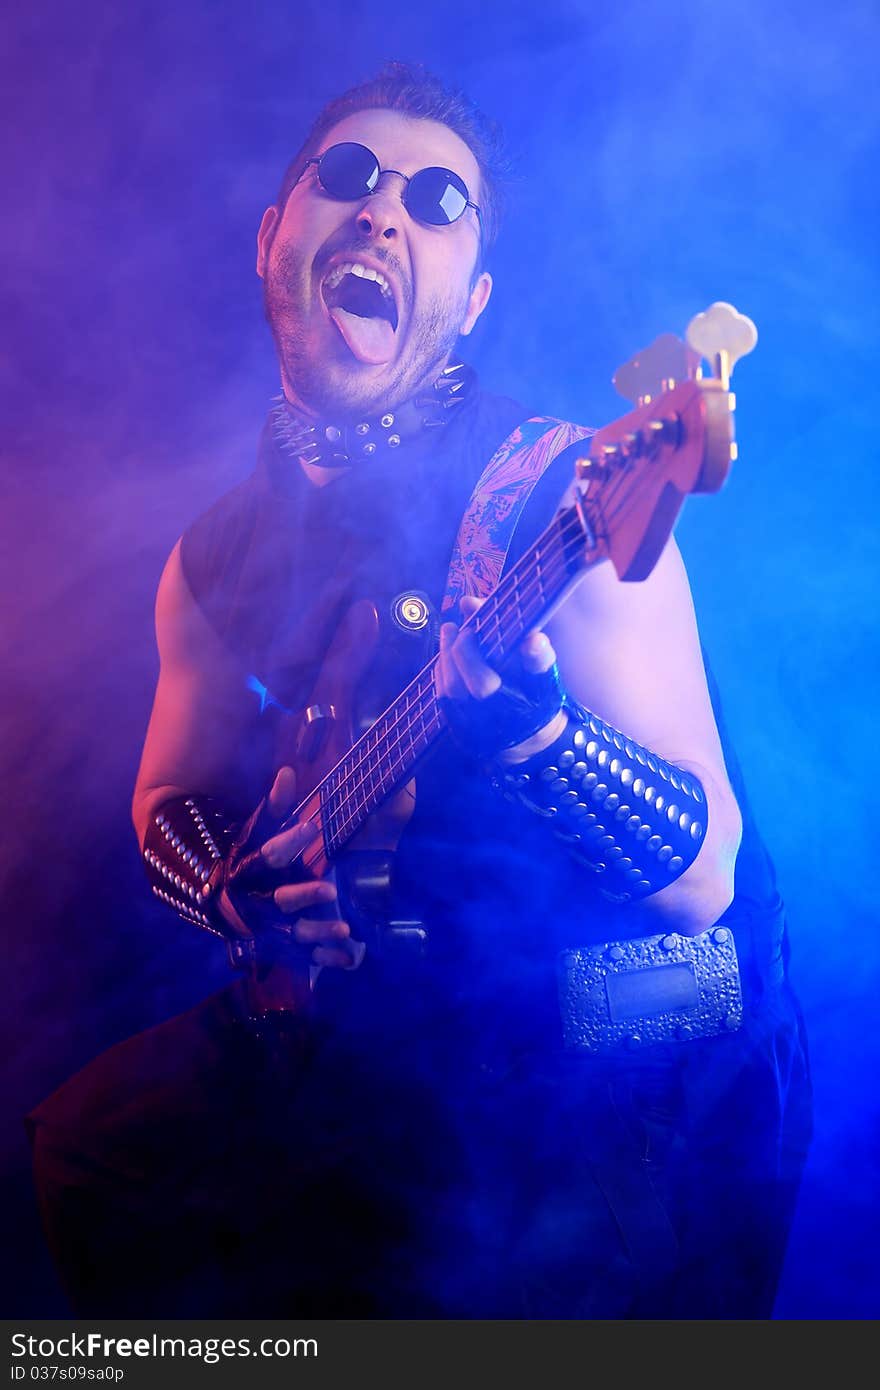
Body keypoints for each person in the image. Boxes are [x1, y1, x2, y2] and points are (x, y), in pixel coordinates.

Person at [28, 62, 812, 1319]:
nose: (387, 211)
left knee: (479, 1219)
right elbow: (163, 791)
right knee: (94, 1147)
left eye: (439, 201)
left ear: (473, 299)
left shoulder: (558, 489)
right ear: (273, 237)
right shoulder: (214, 555)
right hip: (417, 991)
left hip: (646, 1009)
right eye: (348, 177)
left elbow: (701, 878)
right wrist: (241, 891)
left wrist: (531, 729)